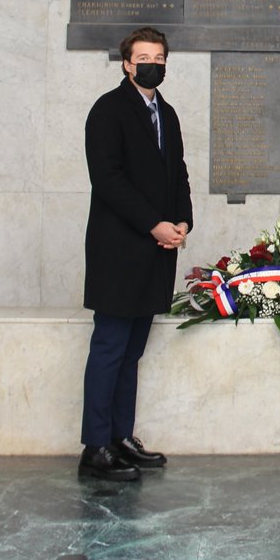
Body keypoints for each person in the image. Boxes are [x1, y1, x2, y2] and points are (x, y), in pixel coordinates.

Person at [78, 26, 193, 482]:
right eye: (144, 57)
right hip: (118, 250)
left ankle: (121, 437)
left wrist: (182, 222)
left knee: (131, 352)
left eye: (160, 57)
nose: (153, 64)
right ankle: (95, 446)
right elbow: (108, 180)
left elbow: (178, 173)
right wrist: (153, 224)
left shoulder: (167, 113)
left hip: (156, 253)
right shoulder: (107, 111)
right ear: (127, 63)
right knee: (109, 347)